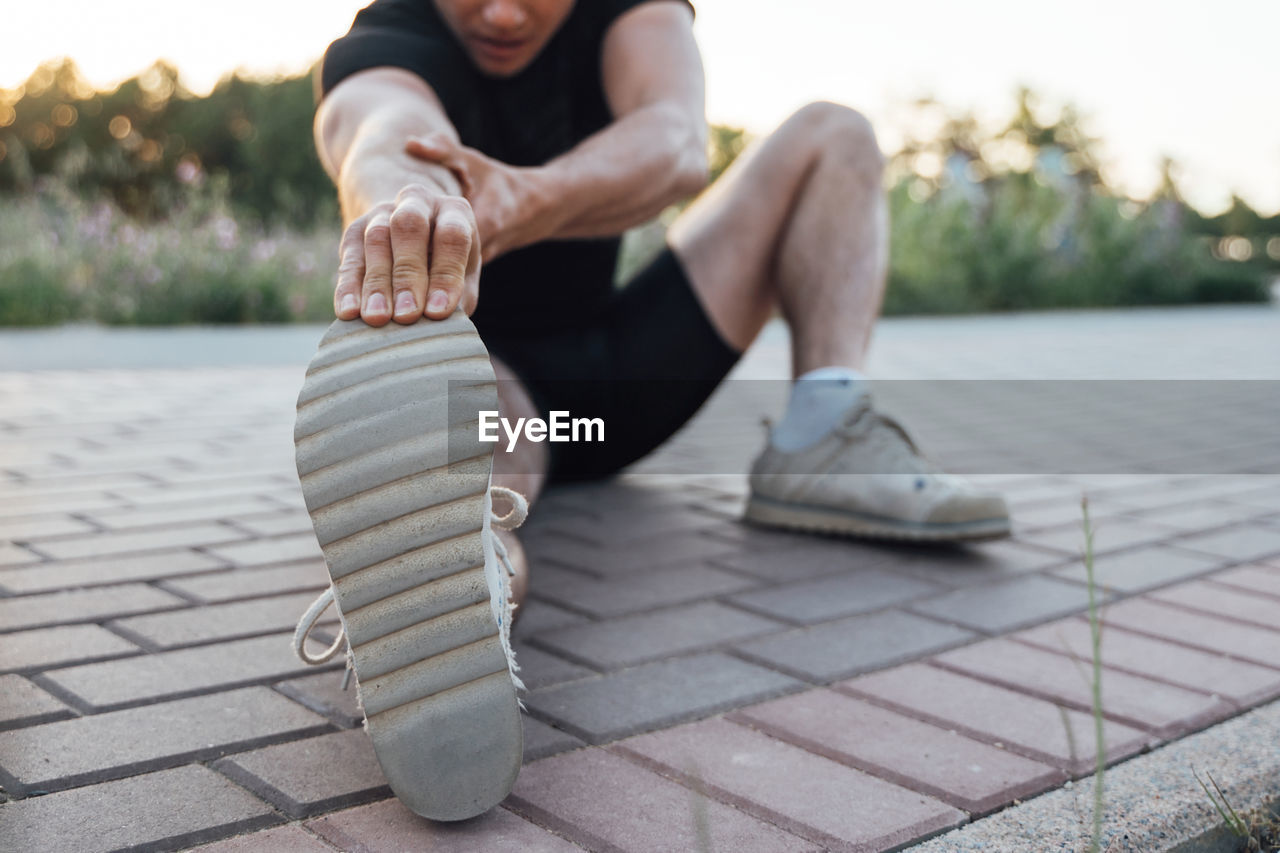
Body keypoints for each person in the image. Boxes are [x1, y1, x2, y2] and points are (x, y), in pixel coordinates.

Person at [294, 0, 1011, 822]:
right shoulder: (396, 31)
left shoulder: (630, 13)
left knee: (834, 133)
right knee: (466, 443)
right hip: (501, 387)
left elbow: (675, 143)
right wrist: (408, 208)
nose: (499, 13)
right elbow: (378, 130)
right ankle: (459, 572)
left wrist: (527, 199)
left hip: (629, 370)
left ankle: (825, 433)